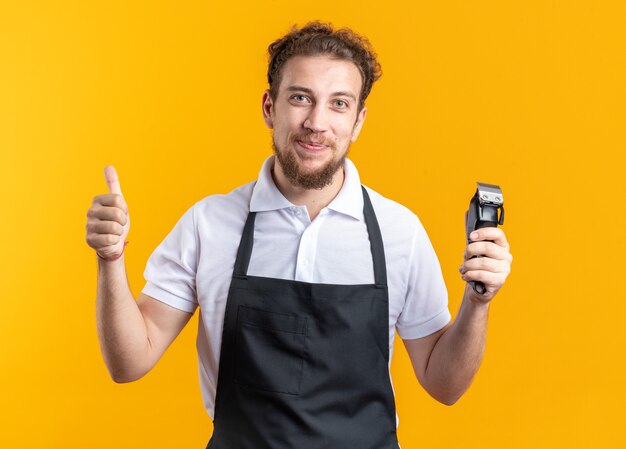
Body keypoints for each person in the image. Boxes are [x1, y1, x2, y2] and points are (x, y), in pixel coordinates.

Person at [86, 22, 512, 449]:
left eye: (339, 104)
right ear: (269, 107)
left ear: (358, 120)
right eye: (300, 98)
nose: (316, 122)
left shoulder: (399, 231)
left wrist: (477, 302)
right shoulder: (208, 224)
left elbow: (445, 386)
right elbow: (129, 362)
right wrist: (111, 260)